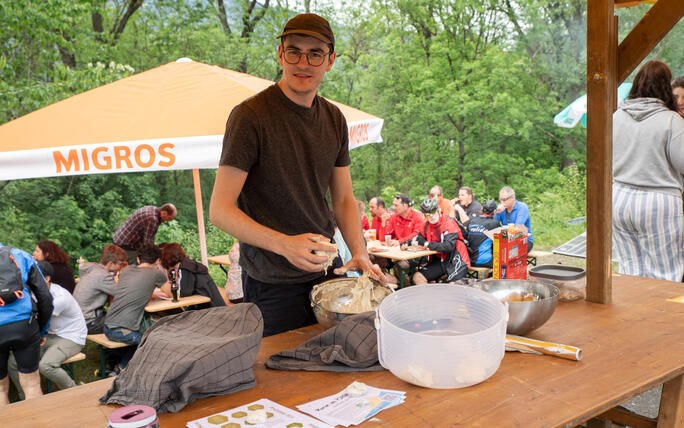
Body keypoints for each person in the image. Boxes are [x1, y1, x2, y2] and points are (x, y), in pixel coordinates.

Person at [209, 13, 382, 337]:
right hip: (269, 280)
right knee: (282, 378)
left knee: (331, 365)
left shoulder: (333, 119)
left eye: (315, 53)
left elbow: (343, 198)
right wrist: (285, 245)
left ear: (330, 60)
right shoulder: (250, 117)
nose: (304, 62)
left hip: (326, 270)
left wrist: (358, 251)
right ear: (280, 54)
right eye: (294, 51)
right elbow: (220, 211)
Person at [613, 60, 684, 282]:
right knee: (665, 274)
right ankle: (663, 318)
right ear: (665, 86)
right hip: (658, 202)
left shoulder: (616, 116)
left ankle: (630, 317)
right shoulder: (671, 120)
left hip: (619, 198)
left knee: (629, 269)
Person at [9, 261, 86, 397]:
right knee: (13, 363)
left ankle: (75, 392)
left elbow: (37, 322)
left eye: (32, 276)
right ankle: (26, 398)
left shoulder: (59, 298)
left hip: (71, 337)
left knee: (47, 366)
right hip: (49, 335)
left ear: (47, 278)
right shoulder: (33, 293)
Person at [0, 243, 53, 406]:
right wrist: (42, 330)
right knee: (31, 384)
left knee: (0, 388)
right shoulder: (20, 255)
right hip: (25, 326)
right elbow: (45, 298)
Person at [104, 244, 170, 368]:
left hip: (107, 326)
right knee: (152, 341)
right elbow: (171, 292)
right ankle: (124, 368)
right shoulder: (156, 273)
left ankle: (119, 365)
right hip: (123, 331)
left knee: (142, 336)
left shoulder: (127, 270)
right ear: (157, 260)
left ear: (139, 259)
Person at [401, 199, 470, 284]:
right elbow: (417, 238)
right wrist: (405, 244)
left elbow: (447, 247)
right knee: (417, 277)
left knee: (453, 287)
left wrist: (426, 244)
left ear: (438, 209)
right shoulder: (426, 225)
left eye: (433, 211)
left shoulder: (449, 222)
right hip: (439, 261)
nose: (431, 215)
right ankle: (430, 297)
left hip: (456, 259)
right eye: (427, 213)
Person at [73, 244, 128, 334]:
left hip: (79, 319)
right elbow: (123, 295)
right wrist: (123, 273)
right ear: (110, 263)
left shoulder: (92, 268)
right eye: (120, 264)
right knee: (129, 321)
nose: (121, 267)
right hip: (90, 322)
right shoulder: (103, 276)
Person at [159, 243, 226, 307]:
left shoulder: (185, 268)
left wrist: (168, 290)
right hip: (215, 303)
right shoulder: (189, 264)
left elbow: (184, 293)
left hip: (210, 307)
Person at [112, 204, 177, 265]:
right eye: (169, 218)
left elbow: (149, 237)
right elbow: (147, 244)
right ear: (164, 213)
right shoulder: (152, 219)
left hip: (120, 237)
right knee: (136, 267)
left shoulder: (153, 209)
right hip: (125, 244)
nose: (169, 221)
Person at [494, 186, 534, 252]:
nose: (502, 202)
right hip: (507, 240)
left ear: (512, 197)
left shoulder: (522, 207)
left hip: (524, 240)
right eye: (500, 199)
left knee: (510, 252)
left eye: (504, 199)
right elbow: (493, 224)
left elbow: (518, 227)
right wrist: (496, 212)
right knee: (493, 250)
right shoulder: (501, 209)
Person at [466, 200, 501, 268]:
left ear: (482, 210)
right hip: (486, 261)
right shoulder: (494, 223)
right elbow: (500, 243)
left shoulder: (471, 221)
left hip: (471, 260)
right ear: (494, 212)